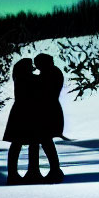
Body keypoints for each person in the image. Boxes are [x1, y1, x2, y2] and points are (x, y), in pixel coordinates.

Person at [2, 58, 42, 185]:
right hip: (28, 113)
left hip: (20, 113)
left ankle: (14, 174)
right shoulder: (28, 79)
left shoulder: (19, 78)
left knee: (17, 144)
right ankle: (32, 172)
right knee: (32, 142)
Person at [32, 53, 65, 184]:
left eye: (38, 64)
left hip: (49, 111)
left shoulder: (50, 74)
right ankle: (55, 169)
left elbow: (43, 89)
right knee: (46, 141)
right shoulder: (53, 72)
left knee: (46, 140)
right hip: (50, 110)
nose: (36, 67)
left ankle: (55, 170)